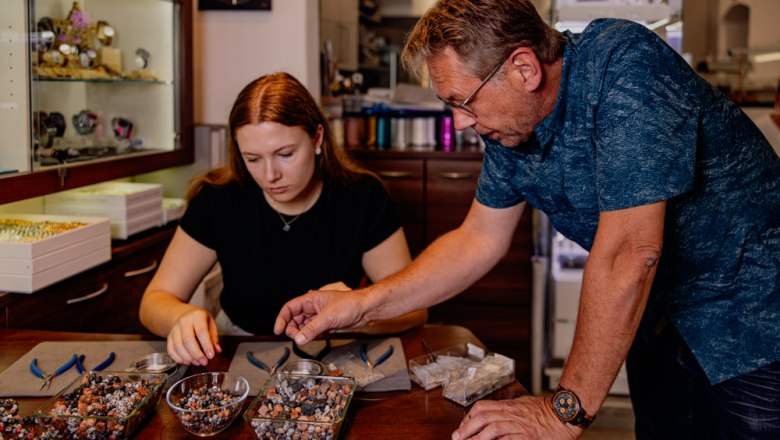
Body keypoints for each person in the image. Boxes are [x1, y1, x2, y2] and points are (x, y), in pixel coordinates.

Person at [274, 1, 780, 439]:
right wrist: (359, 305)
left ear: (523, 68)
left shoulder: (627, 65)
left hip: (755, 319)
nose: (460, 122)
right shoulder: (511, 127)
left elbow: (631, 251)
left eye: (461, 101)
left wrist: (565, 410)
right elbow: (476, 239)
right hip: (660, 323)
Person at [140, 72, 427, 367]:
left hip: (336, 350)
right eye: (252, 158)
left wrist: (359, 314)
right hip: (238, 346)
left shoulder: (362, 196)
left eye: (285, 154)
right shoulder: (218, 198)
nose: (270, 175)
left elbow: (414, 310)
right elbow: (154, 300)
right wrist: (180, 316)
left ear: (317, 137)